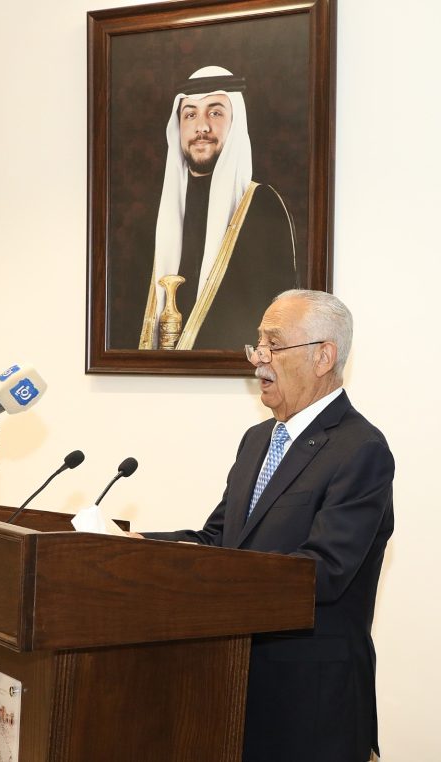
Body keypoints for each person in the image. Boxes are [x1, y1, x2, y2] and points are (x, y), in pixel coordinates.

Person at [139, 290, 394, 762]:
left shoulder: (361, 449)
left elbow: (322, 571)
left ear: (323, 357)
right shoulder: (257, 439)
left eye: (273, 345)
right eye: (257, 345)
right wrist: (133, 547)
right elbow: (220, 540)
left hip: (312, 704)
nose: (258, 359)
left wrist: (217, 580)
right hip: (236, 685)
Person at [139, 66, 297, 350]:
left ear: (235, 123)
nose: (202, 127)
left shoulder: (262, 207)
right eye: (190, 114)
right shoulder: (151, 212)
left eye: (215, 112)